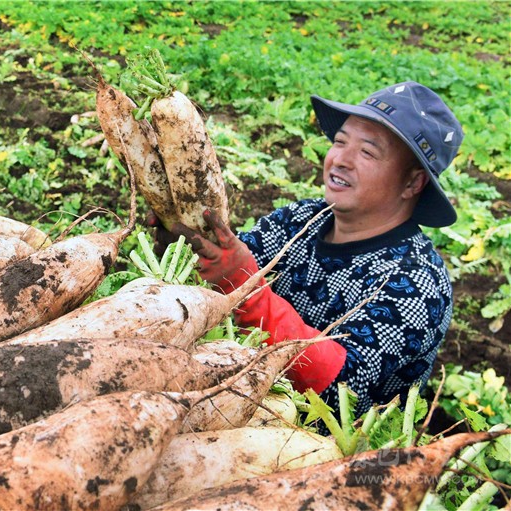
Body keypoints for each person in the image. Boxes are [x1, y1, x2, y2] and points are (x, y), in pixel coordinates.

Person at [152, 81, 463, 416]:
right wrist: (189, 246)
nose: (341, 159)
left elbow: (343, 390)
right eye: (340, 142)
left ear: (412, 183)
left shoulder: (417, 283)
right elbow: (228, 267)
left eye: (367, 152)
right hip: (241, 395)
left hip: (321, 439)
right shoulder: (302, 219)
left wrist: (246, 288)